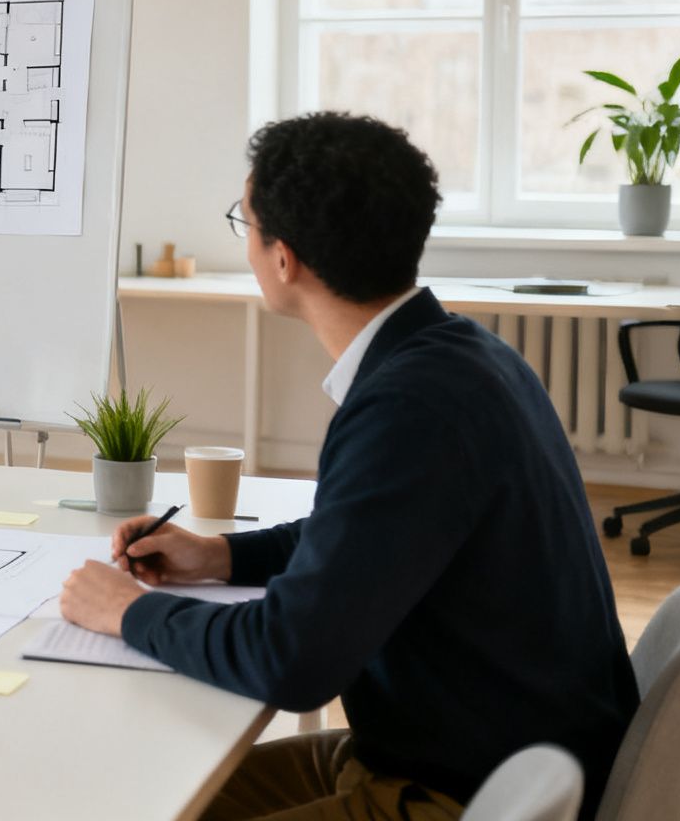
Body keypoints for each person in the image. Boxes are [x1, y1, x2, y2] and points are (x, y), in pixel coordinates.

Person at [59, 113, 638, 821]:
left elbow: (292, 661)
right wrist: (216, 555)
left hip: (469, 794)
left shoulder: (406, 406)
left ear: (285, 258)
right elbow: (365, 538)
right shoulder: (467, 358)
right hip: (473, 751)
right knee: (160, 795)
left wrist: (133, 612)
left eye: (246, 221)